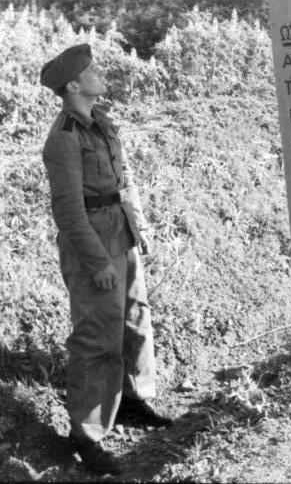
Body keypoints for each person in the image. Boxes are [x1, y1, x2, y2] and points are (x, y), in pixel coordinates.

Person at [41, 43, 171, 476]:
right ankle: (87, 435)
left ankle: (134, 402)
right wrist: (96, 262)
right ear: (74, 85)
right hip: (92, 243)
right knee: (97, 337)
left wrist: (142, 229)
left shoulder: (103, 123)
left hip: (121, 232)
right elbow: (69, 212)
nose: (100, 74)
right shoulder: (63, 140)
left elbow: (125, 180)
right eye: (92, 71)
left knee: (135, 318)